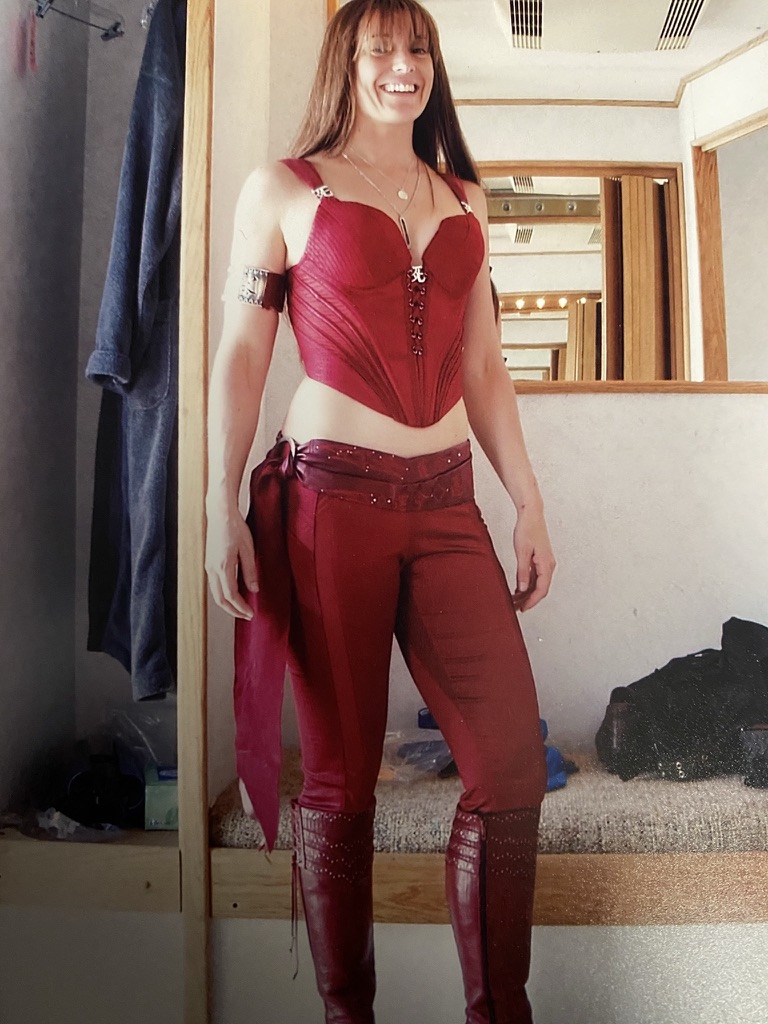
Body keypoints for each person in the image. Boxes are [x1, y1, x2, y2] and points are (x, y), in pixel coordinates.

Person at [206, 1, 556, 1020]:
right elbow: (241, 355)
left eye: (419, 49)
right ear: (347, 61)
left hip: (449, 506)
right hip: (328, 502)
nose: (404, 66)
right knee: (341, 778)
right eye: (381, 48)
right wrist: (219, 503)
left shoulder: (465, 199)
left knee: (510, 769)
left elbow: (484, 367)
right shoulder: (284, 188)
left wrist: (528, 502)